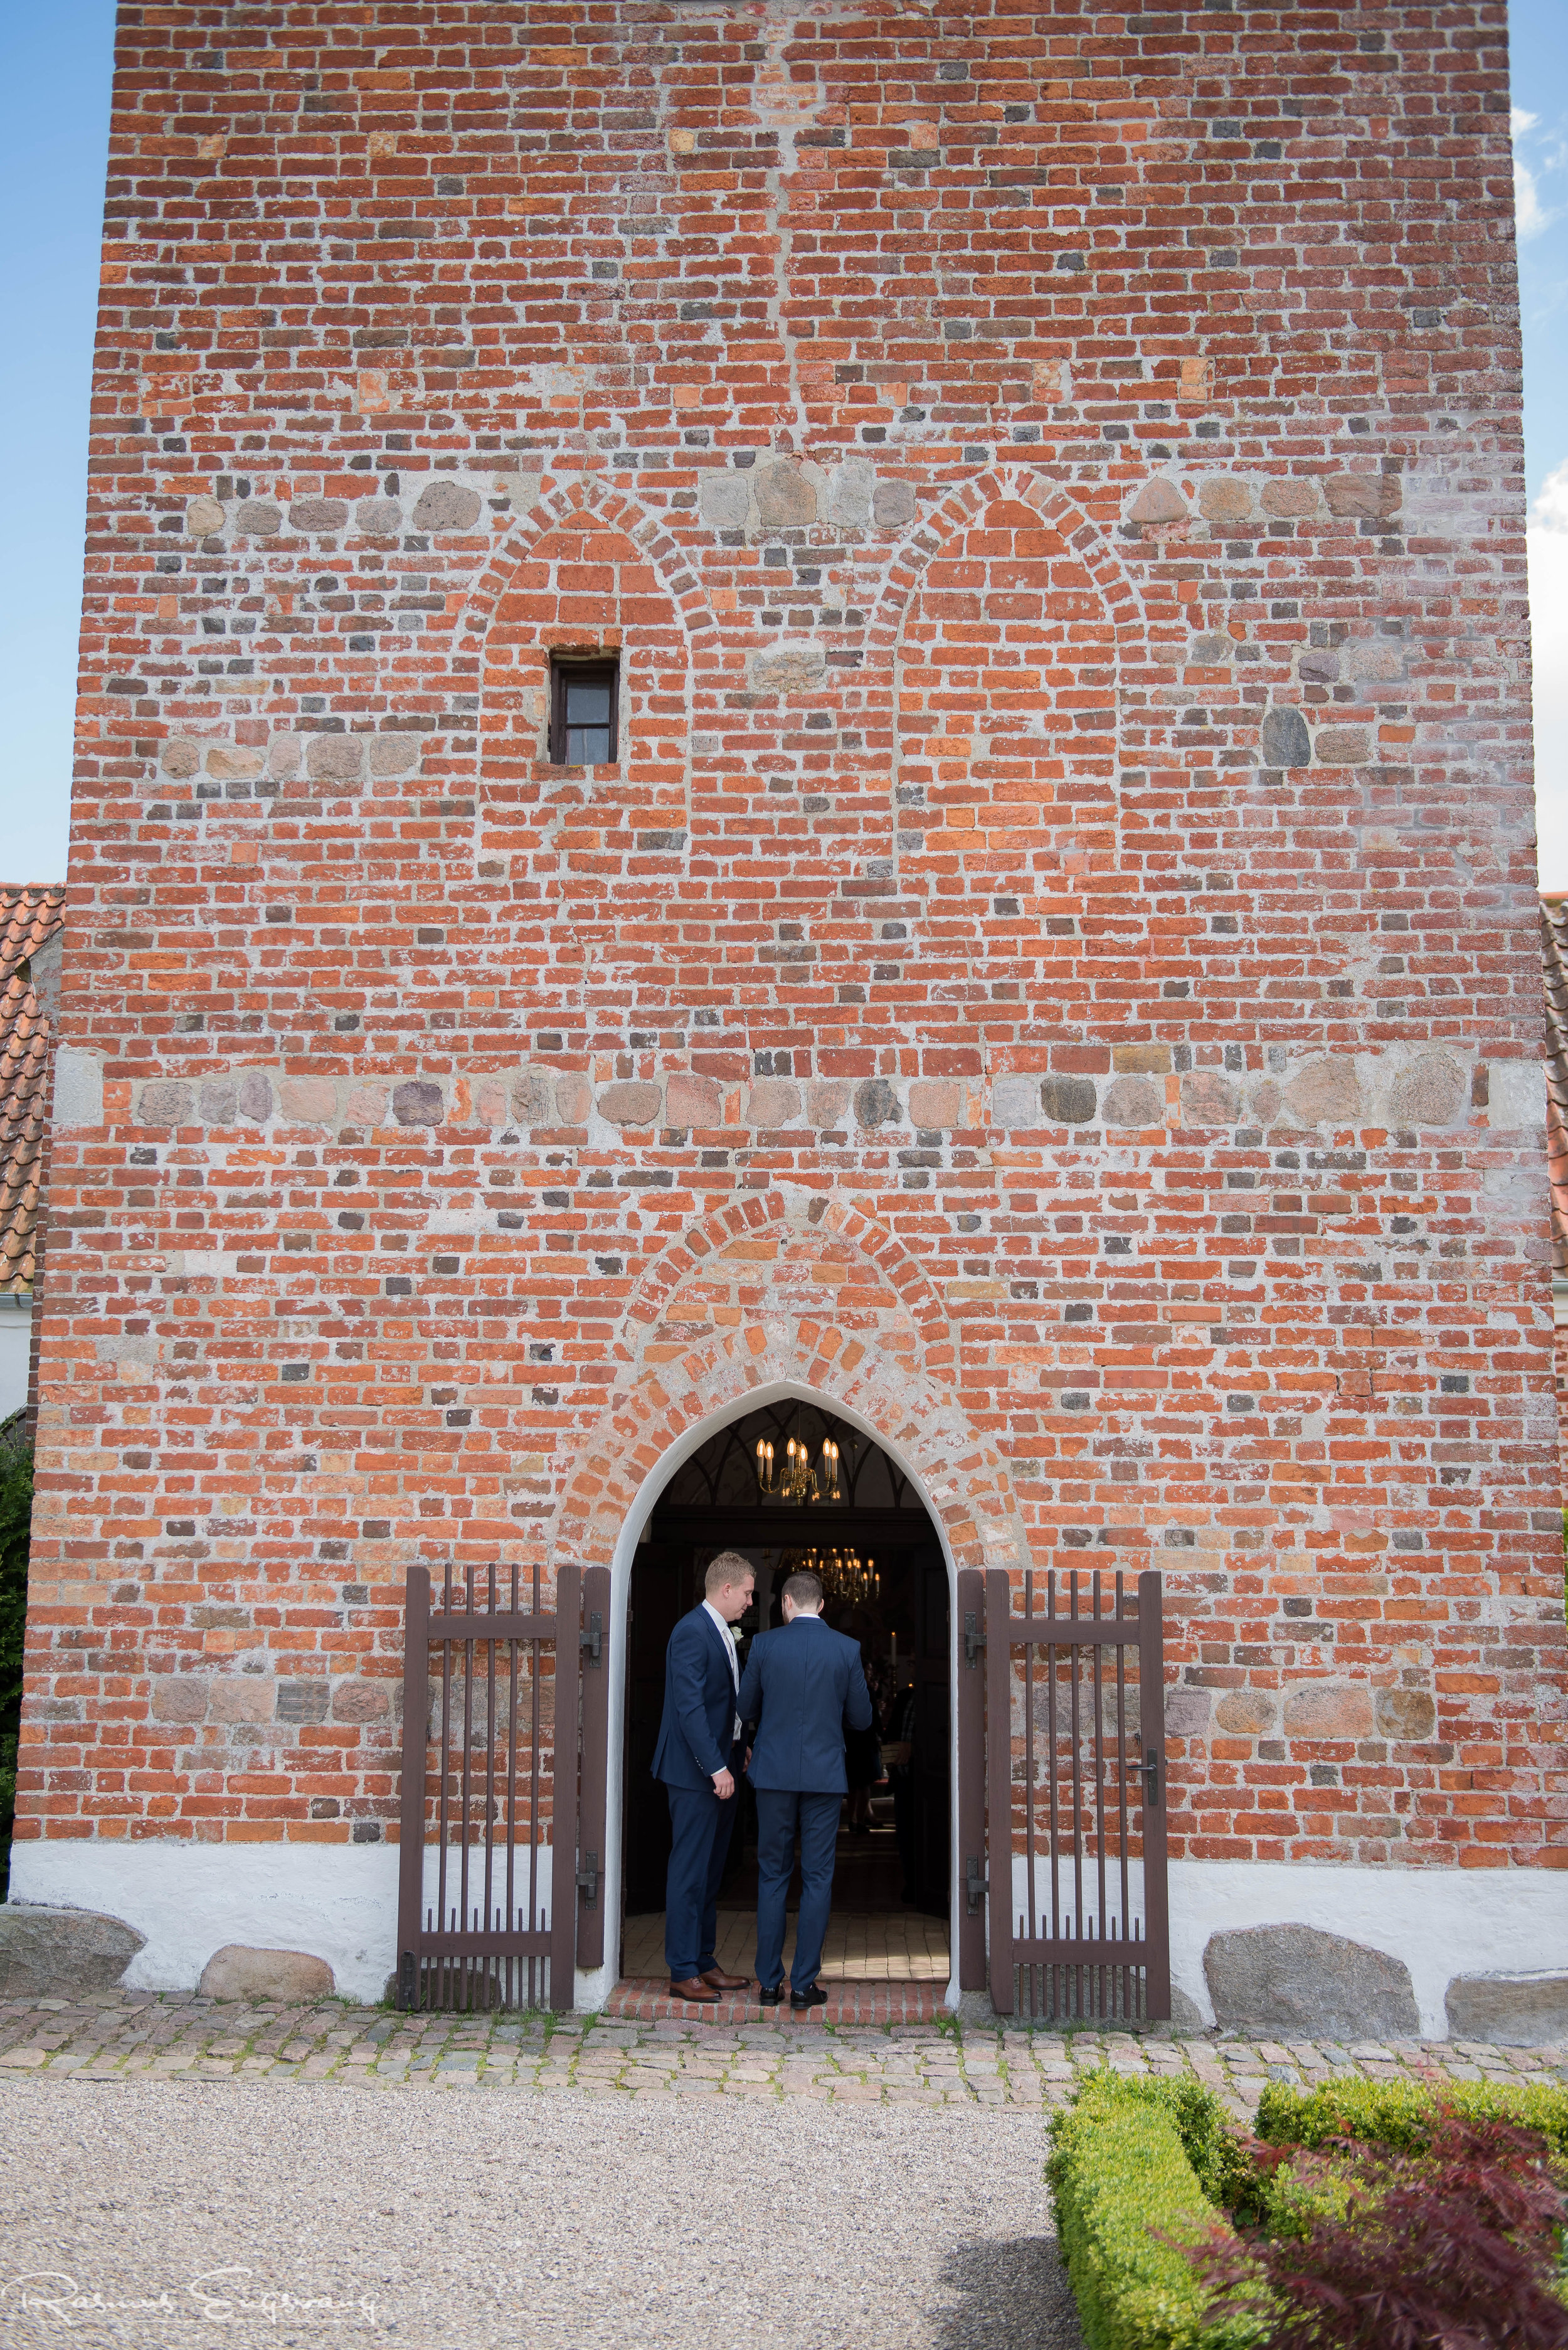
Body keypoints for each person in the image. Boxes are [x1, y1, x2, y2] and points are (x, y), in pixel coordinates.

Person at [738, 1566, 873, 2010]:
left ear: (786, 1604)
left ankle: (769, 1984)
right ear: (822, 1605)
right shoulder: (847, 1649)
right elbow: (862, 1719)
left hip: (773, 1776)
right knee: (817, 1878)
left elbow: (745, 1708)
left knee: (773, 1875)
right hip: (823, 1776)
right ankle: (804, 1985)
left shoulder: (765, 1644)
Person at [650, 1550, 756, 2003]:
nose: (751, 1602)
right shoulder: (691, 1631)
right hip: (696, 1771)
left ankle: (704, 1960)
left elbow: (724, 1700)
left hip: (724, 1761)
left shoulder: (722, 1632)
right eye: (748, 1593)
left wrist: (739, 1743)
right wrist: (715, 1766)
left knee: (713, 1870)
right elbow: (689, 1707)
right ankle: (681, 1969)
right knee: (689, 1871)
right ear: (727, 1588)